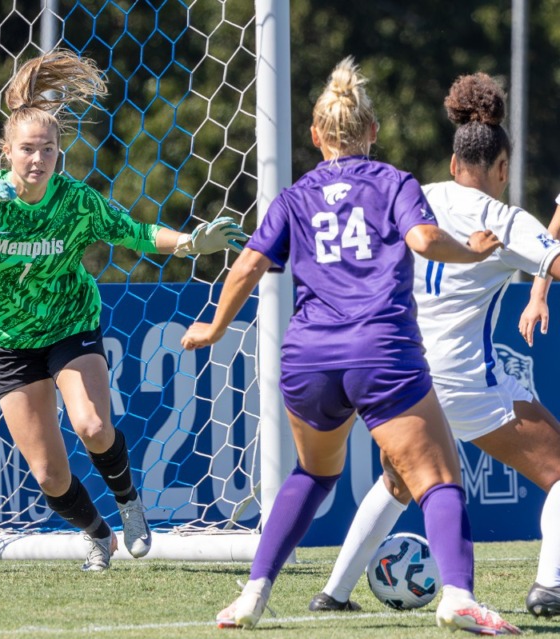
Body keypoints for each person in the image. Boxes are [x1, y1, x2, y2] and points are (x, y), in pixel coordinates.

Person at [181, 57, 520, 635]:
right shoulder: (393, 181)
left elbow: (248, 265)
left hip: (309, 358)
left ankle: (252, 596)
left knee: (312, 474)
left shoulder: (294, 197)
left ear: (316, 137)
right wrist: (475, 252)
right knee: (436, 477)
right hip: (379, 349)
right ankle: (458, 595)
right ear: (373, 132)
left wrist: (214, 327)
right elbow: (424, 238)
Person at [0, 49, 246, 571]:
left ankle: (129, 501)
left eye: (47, 149)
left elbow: (135, 231)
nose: (37, 159)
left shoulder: (75, 201)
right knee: (50, 474)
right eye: (27, 149)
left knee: (93, 425)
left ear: (58, 152)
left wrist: (188, 243)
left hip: (70, 325)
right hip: (6, 339)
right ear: (7, 151)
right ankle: (97, 534)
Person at [310, 73, 560, 619]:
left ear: (452, 164)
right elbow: (556, 264)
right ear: (501, 169)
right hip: (468, 380)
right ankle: (550, 586)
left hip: (402, 373)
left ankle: (332, 593)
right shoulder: (502, 219)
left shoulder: (414, 195)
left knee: (398, 481)